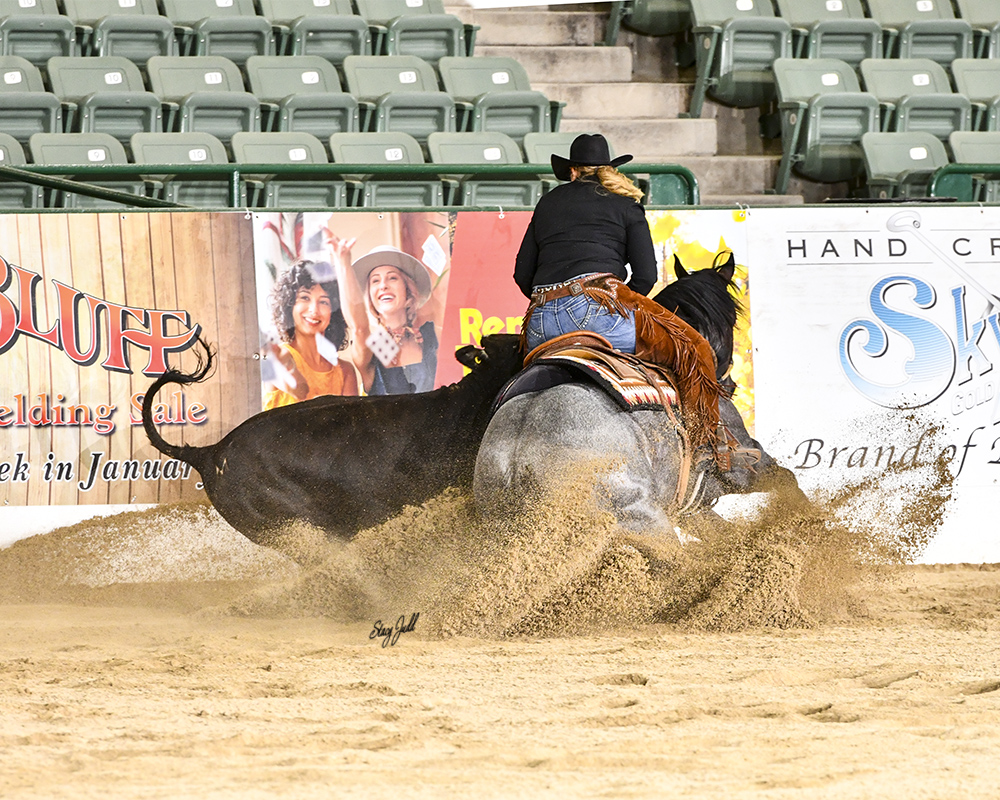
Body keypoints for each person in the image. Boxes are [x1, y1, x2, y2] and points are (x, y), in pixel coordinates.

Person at [514, 132, 726, 461]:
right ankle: (705, 449)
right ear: (607, 169)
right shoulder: (626, 204)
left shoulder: (548, 202)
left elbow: (522, 275)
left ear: (572, 171)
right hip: (599, 315)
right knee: (695, 350)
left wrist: (556, 299)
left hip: (541, 323)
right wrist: (618, 300)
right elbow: (645, 276)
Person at [326, 234, 440, 395]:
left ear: (408, 291)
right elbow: (359, 327)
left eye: (392, 278)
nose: (383, 286)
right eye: (375, 281)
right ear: (370, 297)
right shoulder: (371, 347)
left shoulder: (434, 335)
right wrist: (342, 262)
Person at [263, 259, 359, 409]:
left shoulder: (345, 371)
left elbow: (352, 427)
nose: (314, 310)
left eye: (324, 302)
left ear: (334, 313)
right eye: (305, 298)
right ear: (289, 305)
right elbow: (299, 391)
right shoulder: (278, 355)